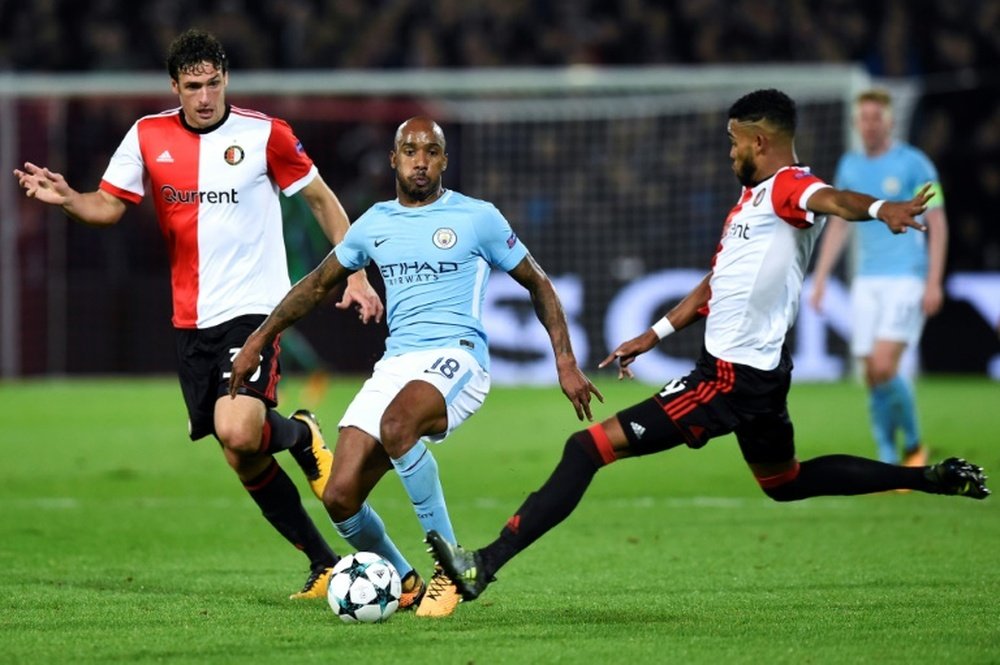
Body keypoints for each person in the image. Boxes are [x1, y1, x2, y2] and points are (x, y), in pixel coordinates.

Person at [424, 88, 990, 605]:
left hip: (727, 379)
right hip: (759, 376)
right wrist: (655, 334)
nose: (729, 152)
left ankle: (482, 565)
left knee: (585, 449)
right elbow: (717, 286)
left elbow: (833, 199)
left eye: (734, 141)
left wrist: (880, 210)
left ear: (760, 141)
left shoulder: (790, 187)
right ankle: (928, 478)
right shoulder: (751, 204)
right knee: (785, 482)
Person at [12, 29, 384, 599]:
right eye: (193, 86)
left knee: (237, 426)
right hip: (191, 321)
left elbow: (321, 201)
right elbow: (108, 206)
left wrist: (355, 272)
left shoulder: (265, 135)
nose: (205, 96)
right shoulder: (147, 136)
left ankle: (300, 438)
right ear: (175, 87)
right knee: (241, 454)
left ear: (226, 79)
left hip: (256, 311)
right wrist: (69, 200)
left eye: (214, 83)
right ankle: (321, 557)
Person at [228, 116, 601, 617]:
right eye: (410, 150)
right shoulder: (375, 223)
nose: (420, 161)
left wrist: (565, 360)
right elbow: (317, 285)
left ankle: (452, 571)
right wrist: (260, 337)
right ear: (394, 159)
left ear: (444, 160)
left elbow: (538, 283)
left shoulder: (477, 217)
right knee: (340, 496)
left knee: (398, 424)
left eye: (430, 151)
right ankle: (404, 582)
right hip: (397, 363)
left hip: (460, 355)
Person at [810, 89, 948, 467]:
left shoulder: (915, 163)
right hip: (866, 280)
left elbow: (937, 222)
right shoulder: (850, 166)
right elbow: (839, 226)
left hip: (906, 277)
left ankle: (915, 443)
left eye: (876, 117)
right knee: (872, 373)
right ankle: (888, 456)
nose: (869, 124)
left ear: (889, 122)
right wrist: (820, 278)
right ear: (856, 123)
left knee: (885, 364)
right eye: (864, 118)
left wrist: (934, 280)